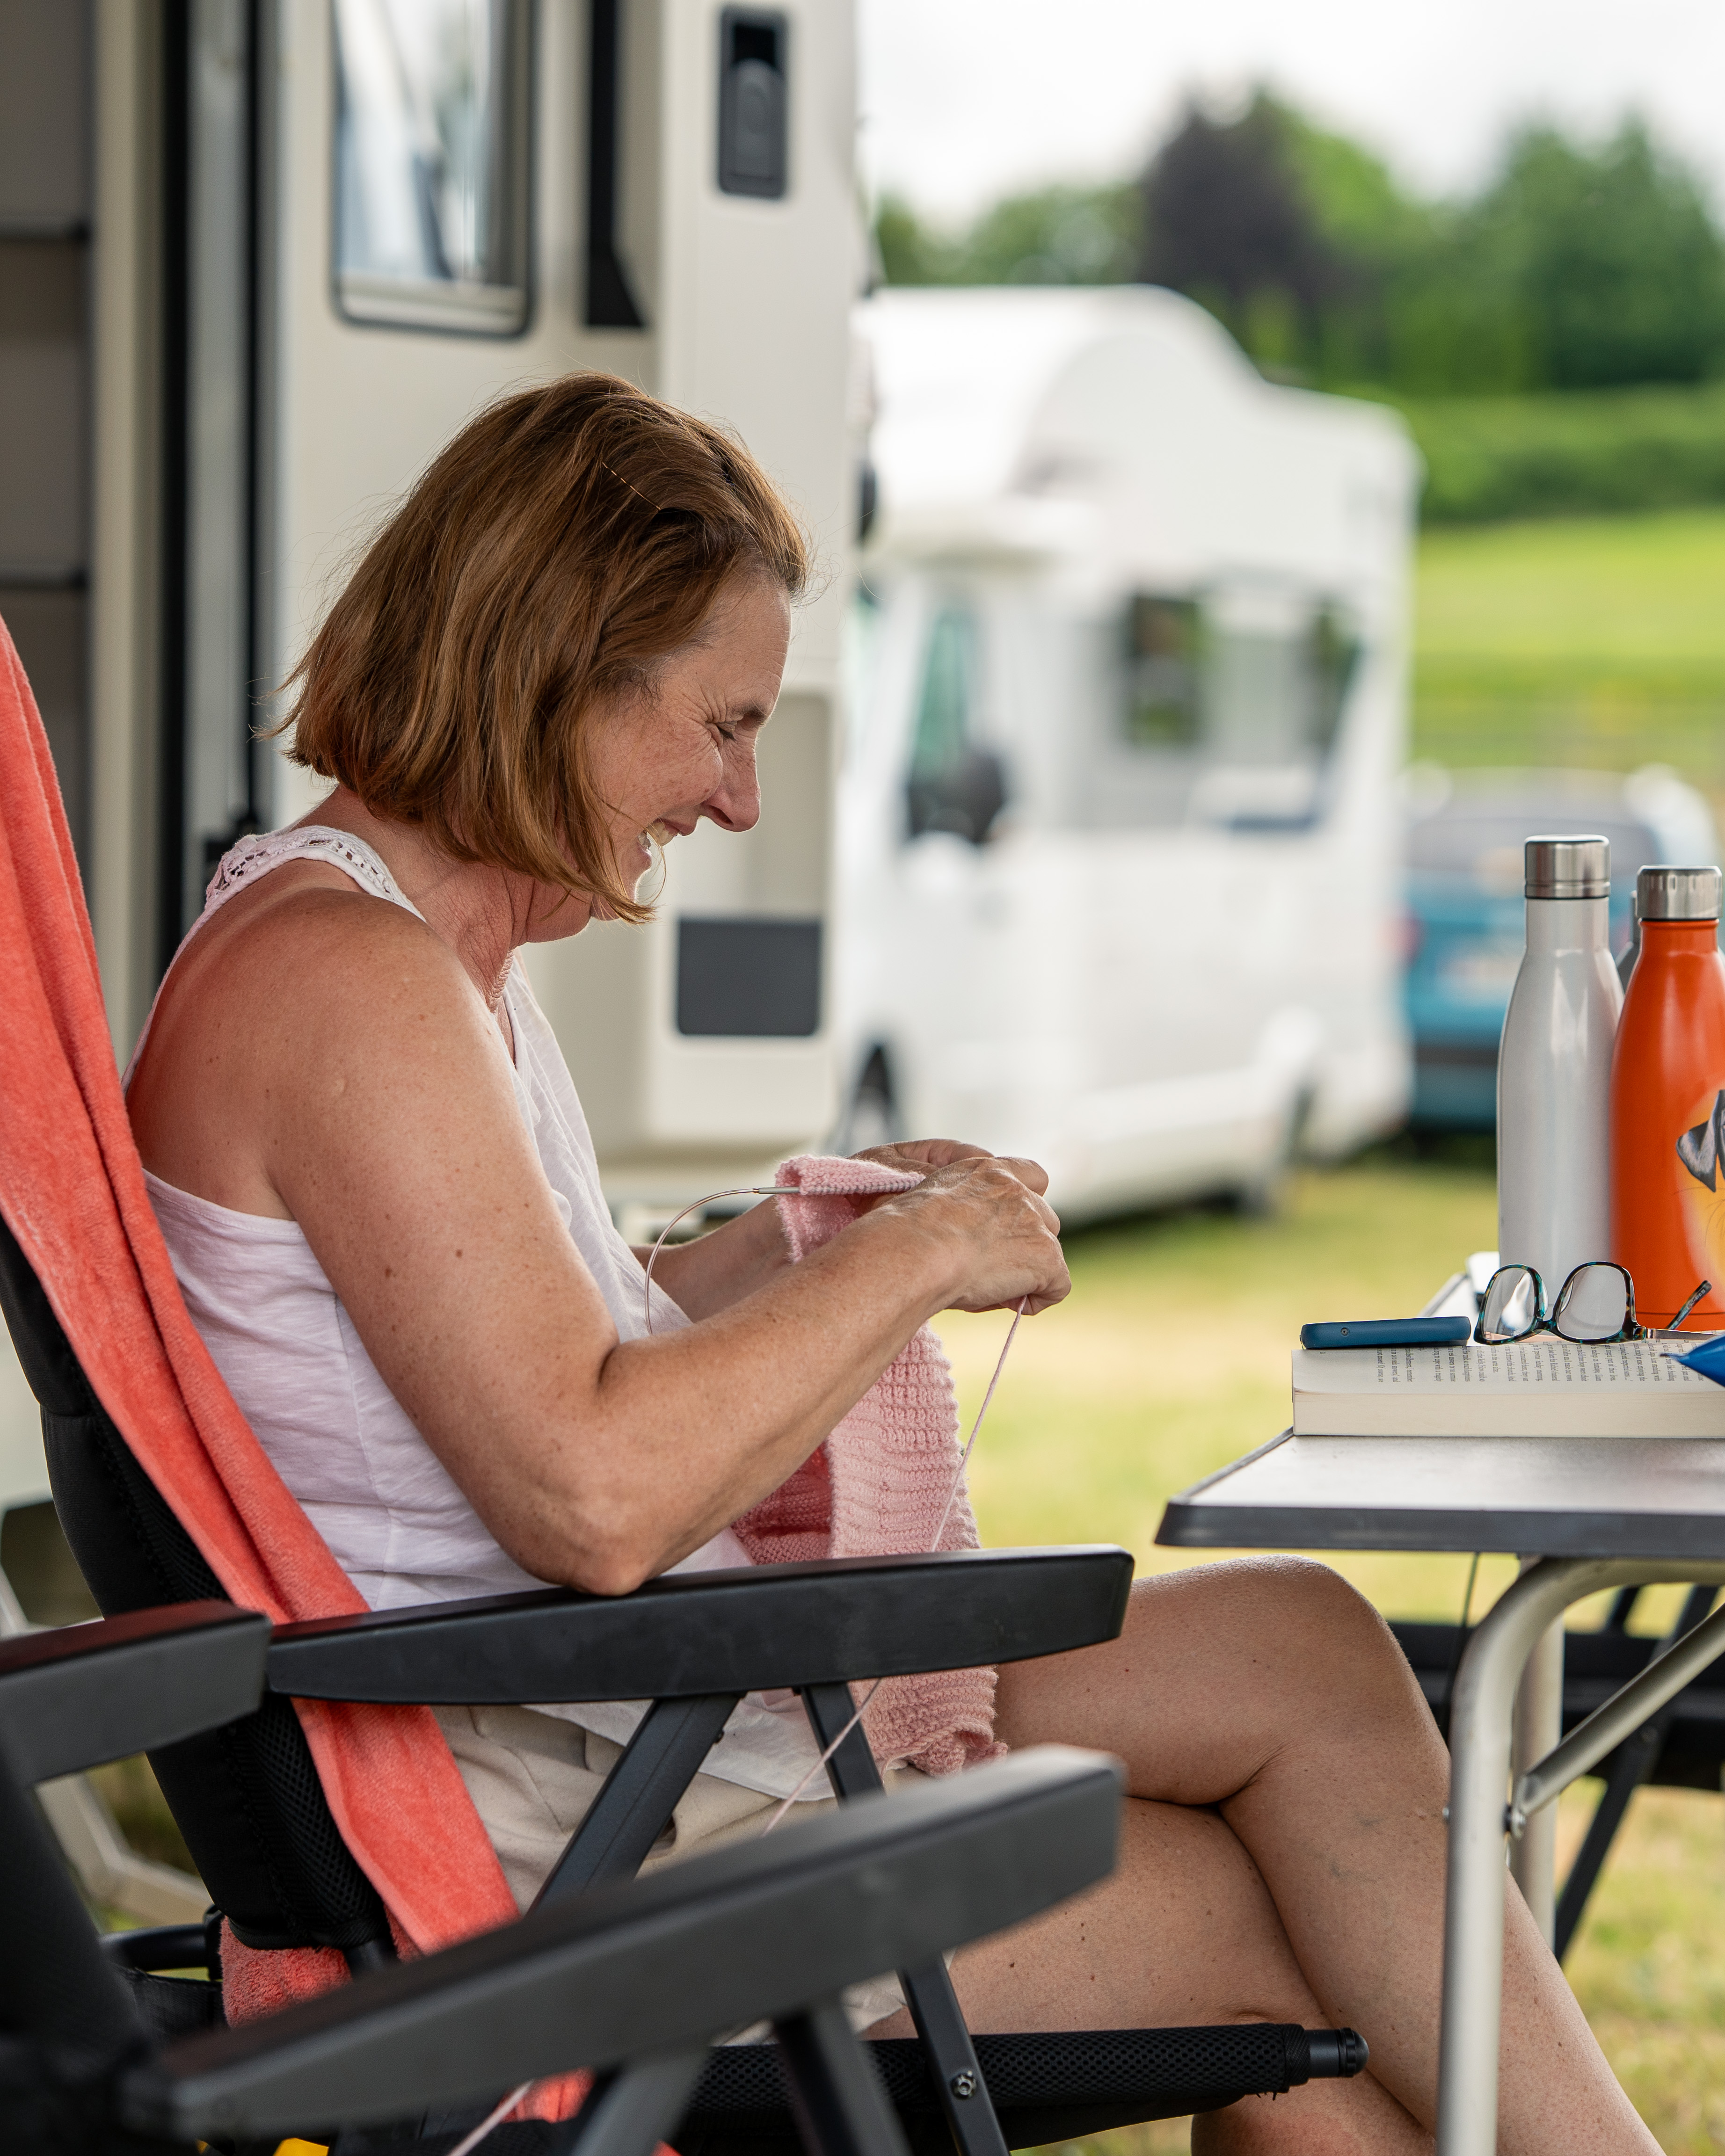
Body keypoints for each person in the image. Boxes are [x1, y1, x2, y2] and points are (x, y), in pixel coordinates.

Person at [126, 372, 1652, 2155]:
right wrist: (917, 1254)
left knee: (1305, 1651)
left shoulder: (410, 961)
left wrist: (785, 1245)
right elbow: (594, 1494)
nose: (740, 796)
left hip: (599, 1722)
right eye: (721, 724)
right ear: (560, 662)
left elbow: (528, 1333)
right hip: (539, 1808)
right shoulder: (355, 988)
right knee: (1276, 1938)